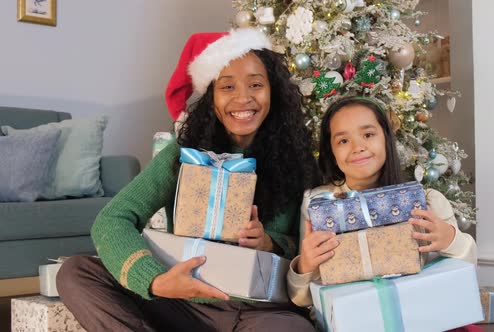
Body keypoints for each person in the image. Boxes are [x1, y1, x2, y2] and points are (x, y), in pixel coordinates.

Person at [56, 28, 319, 332]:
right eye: (228, 86)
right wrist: (155, 279)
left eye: (256, 84)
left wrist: (269, 242)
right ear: (212, 96)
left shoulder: (299, 160)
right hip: (183, 304)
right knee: (76, 273)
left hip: (258, 312)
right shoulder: (183, 154)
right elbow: (112, 219)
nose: (243, 98)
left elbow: (305, 251)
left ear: (273, 91)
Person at [287, 96, 477, 307]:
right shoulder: (318, 205)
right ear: (331, 152)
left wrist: (451, 239)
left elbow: (467, 269)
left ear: (386, 139)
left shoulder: (427, 201)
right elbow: (300, 299)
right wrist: (304, 267)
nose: (358, 147)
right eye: (343, 140)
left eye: (368, 134)